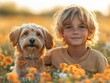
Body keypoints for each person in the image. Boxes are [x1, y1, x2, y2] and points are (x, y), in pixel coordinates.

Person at [44, 4, 108, 74]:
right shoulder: (53, 55)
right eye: (69, 27)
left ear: (90, 31)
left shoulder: (97, 58)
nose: (75, 32)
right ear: (61, 32)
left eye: (81, 27)